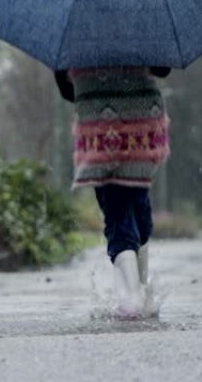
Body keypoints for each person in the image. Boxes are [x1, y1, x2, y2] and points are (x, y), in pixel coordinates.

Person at [56, 66, 171, 317]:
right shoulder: (142, 27)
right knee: (138, 203)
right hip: (141, 130)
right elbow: (163, 69)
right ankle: (140, 290)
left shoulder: (76, 35)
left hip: (100, 130)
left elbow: (67, 91)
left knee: (117, 210)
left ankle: (132, 300)